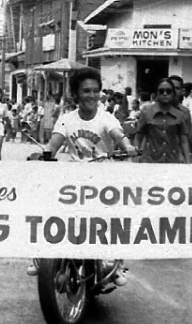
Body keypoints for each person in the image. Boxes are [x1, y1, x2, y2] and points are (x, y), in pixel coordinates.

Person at [26, 67, 137, 280]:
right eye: (86, 91)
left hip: (104, 178)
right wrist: (42, 155)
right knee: (47, 209)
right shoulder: (67, 119)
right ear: (76, 94)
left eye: (96, 91)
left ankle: (116, 262)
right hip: (75, 177)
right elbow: (54, 144)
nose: (92, 96)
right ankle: (40, 255)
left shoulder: (106, 118)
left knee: (113, 217)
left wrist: (127, 146)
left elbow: (118, 136)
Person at [134, 78, 191, 164]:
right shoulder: (147, 113)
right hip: (150, 162)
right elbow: (138, 137)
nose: (165, 94)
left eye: (168, 91)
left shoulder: (180, 115)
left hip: (172, 162)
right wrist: (135, 159)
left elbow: (184, 141)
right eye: (161, 91)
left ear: (173, 93)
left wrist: (188, 162)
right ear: (157, 93)